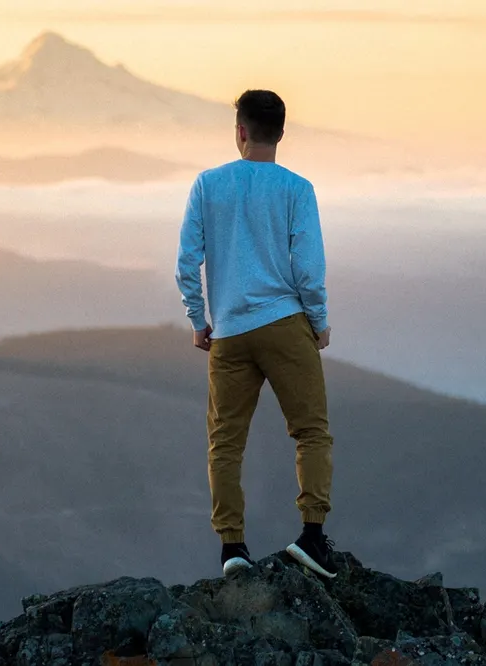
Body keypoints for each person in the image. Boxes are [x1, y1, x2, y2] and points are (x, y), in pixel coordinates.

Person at [175, 89, 337, 578]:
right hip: (285, 324)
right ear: (281, 132)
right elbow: (308, 269)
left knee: (225, 444)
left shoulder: (208, 185)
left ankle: (232, 549)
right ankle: (311, 535)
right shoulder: (296, 189)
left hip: (228, 331)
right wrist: (319, 321)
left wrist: (199, 319)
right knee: (311, 431)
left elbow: (187, 262)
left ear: (240, 131)